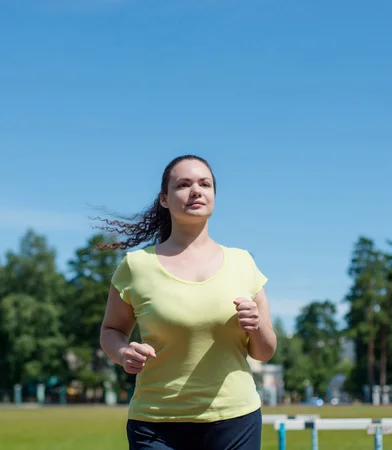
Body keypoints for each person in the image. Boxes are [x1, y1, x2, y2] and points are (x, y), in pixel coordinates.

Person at [98, 155, 276, 450]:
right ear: (164, 199)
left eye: (204, 184)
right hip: (156, 426)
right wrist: (123, 352)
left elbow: (265, 351)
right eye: (183, 184)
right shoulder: (136, 266)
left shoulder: (243, 263)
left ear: (214, 196)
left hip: (235, 421)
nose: (196, 190)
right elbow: (111, 332)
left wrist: (256, 326)